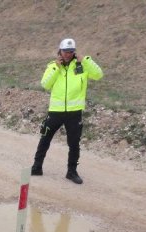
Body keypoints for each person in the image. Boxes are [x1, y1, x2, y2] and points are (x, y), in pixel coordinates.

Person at [31, 38, 103, 184]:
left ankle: (72, 172)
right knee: (45, 138)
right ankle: (37, 166)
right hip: (56, 111)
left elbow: (98, 74)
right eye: (65, 51)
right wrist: (56, 68)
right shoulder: (53, 66)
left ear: (74, 52)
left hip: (74, 112)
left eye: (71, 51)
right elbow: (45, 84)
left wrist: (86, 60)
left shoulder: (82, 65)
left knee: (74, 144)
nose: (68, 54)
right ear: (60, 51)